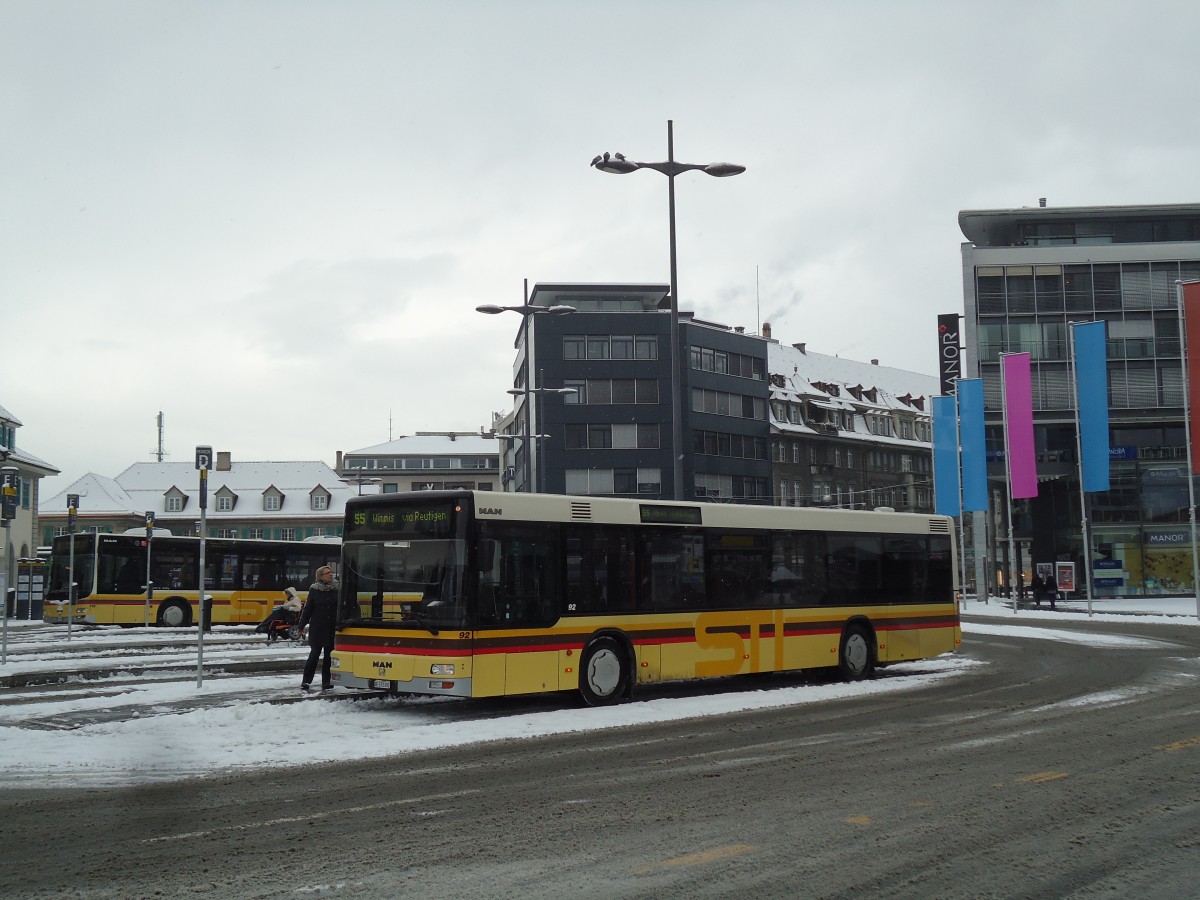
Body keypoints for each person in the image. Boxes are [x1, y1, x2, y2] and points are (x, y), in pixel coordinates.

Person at [298, 566, 338, 691]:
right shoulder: (314, 590)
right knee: (314, 655)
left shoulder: (337, 589)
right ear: (320, 576)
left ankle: (326, 682)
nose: (331, 575)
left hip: (331, 628)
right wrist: (301, 625)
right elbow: (308, 609)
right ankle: (306, 681)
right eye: (327, 573)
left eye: (331, 573)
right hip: (317, 628)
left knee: (329, 656)